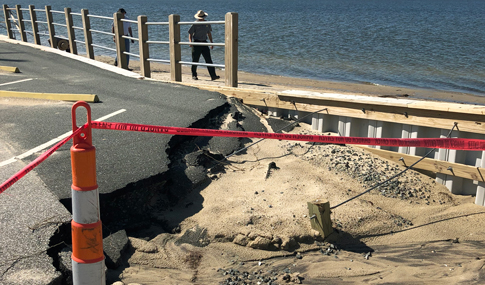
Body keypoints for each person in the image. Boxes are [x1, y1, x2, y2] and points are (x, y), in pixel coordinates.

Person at [188, 10, 220, 81]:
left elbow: (209, 33)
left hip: (204, 43)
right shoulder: (195, 24)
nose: (201, 19)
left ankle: (213, 75)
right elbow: (190, 34)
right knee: (195, 59)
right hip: (196, 42)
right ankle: (194, 75)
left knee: (208, 59)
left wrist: (211, 43)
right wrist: (190, 42)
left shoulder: (207, 23)